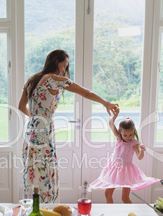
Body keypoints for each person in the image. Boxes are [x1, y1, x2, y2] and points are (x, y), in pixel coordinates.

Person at [19, 49, 119, 203]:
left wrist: (36, 119)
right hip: (44, 133)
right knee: (45, 171)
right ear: (55, 62)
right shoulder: (55, 80)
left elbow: (21, 106)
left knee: (32, 171)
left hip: (30, 132)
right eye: (63, 65)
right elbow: (86, 93)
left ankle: (32, 209)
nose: (64, 69)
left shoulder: (31, 79)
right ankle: (48, 212)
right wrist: (106, 103)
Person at [90, 107, 160, 203]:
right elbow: (111, 123)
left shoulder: (134, 143)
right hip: (114, 168)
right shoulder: (119, 138)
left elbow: (139, 157)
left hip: (127, 171)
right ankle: (110, 212)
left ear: (134, 132)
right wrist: (115, 115)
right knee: (107, 193)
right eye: (125, 135)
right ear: (120, 133)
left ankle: (130, 214)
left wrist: (142, 150)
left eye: (130, 135)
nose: (128, 137)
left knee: (125, 197)